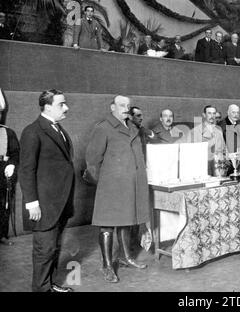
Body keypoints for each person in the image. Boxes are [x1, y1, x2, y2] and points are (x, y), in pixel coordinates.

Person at [85, 95, 149, 283]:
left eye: (128, 106)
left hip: (131, 184)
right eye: (122, 105)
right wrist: (104, 183)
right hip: (110, 186)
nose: (126, 108)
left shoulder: (133, 128)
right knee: (107, 225)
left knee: (126, 221)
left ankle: (126, 257)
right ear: (112, 107)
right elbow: (92, 160)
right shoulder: (103, 127)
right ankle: (106, 265)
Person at [19, 89, 74, 292]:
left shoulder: (56, 128)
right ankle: (41, 289)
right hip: (44, 204)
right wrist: (31, 203)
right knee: (45, 250)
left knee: (54, 248)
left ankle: (50, 285)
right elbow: (26, 170)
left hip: (59, 203)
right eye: (62, 104)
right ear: (48, 106)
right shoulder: (32, 131)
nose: (66, 107)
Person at [0, 96, 19, 245]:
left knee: (4, 204)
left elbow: (15, 153)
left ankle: (2, 235)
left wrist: (11, 164)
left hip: (3, 172)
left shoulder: (8, 133)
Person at [186, 105, 226, 175]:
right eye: (209, 113)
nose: (212, 116)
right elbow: (193, 154)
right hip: (204, 168)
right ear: (204, 115)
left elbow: (223, 149)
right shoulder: (195, 131)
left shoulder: (219, 129)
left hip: (219, 168)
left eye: (214, 113)